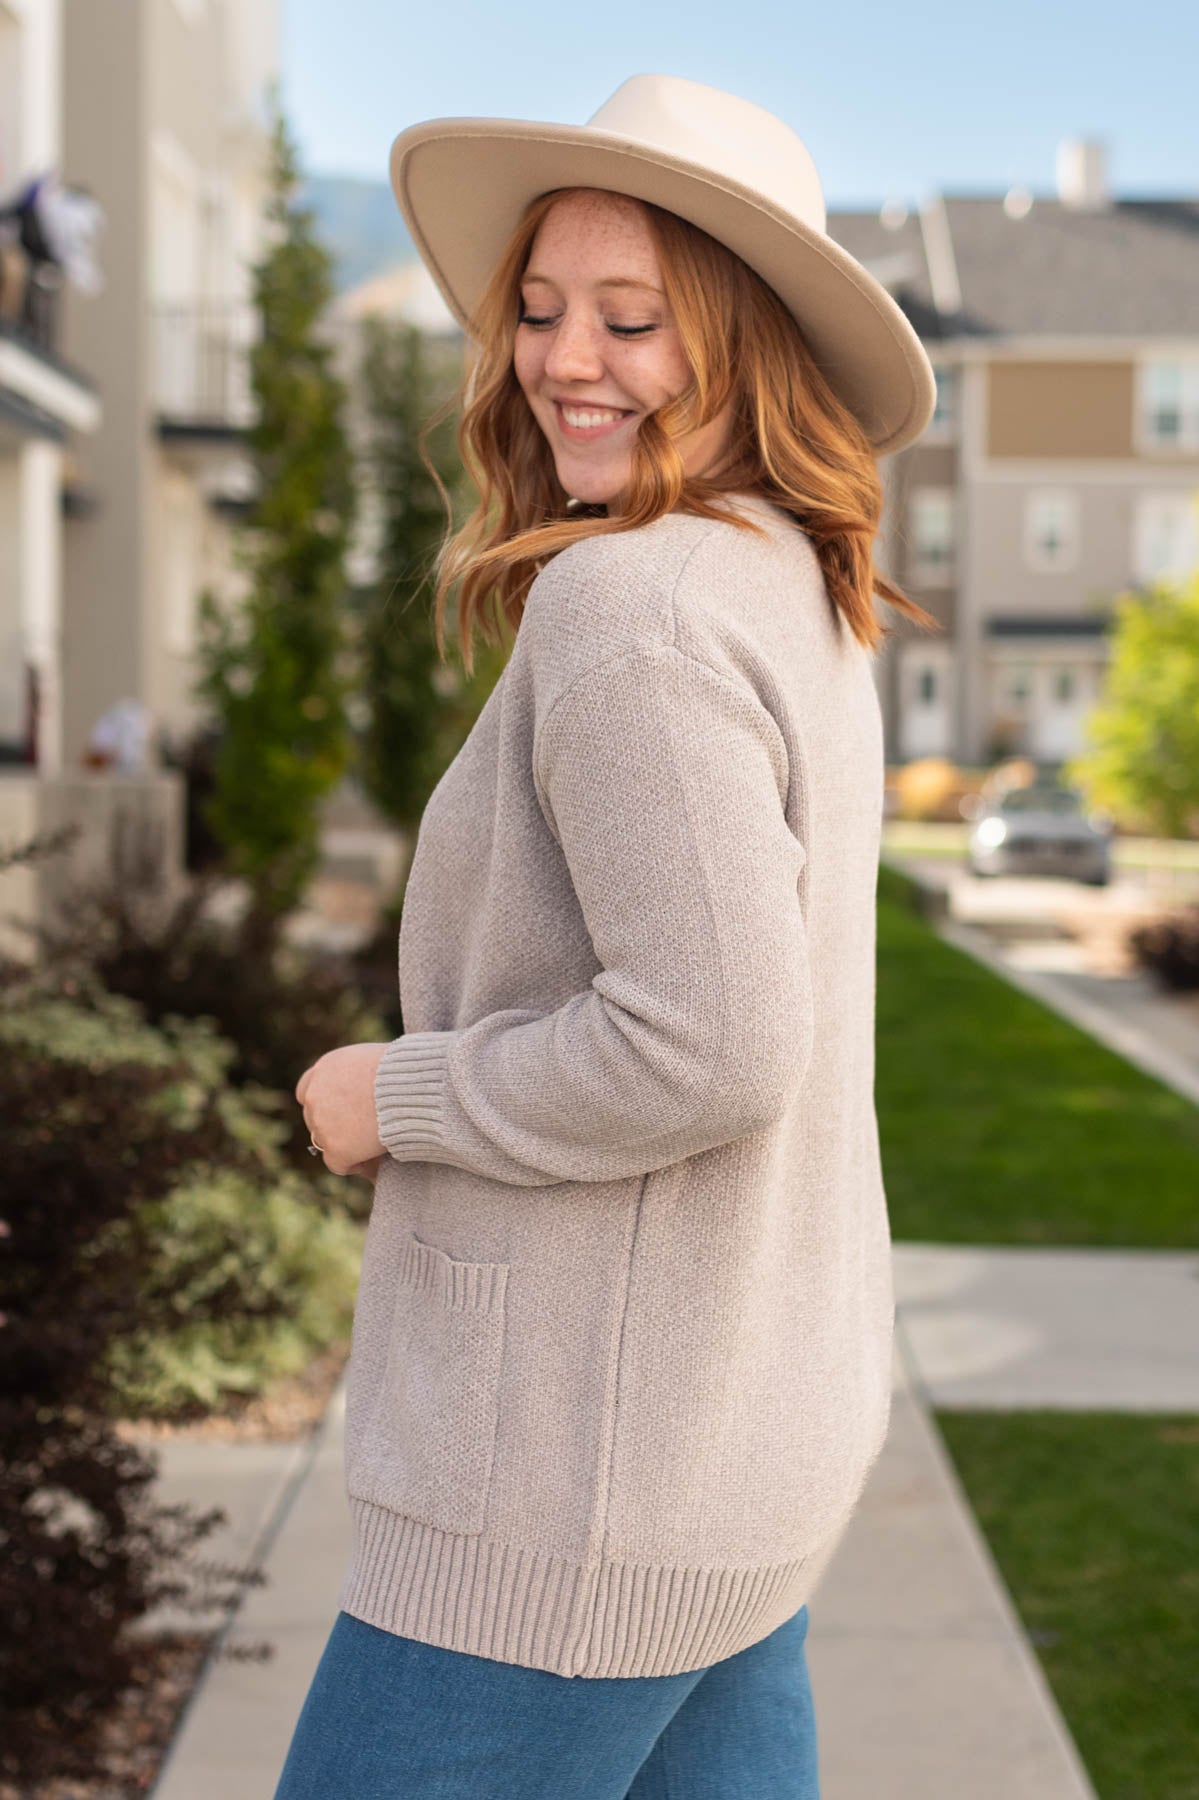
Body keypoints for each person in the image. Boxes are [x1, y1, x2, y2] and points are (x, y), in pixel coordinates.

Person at [282, 72, 938, 1800]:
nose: (565, 360)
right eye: (542, 312)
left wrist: (395, 1093)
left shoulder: (629, 605)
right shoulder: (793, 583)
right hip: (725, 1464)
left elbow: (712, 1042)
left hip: (557, 1500)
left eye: (633, 319)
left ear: (746, 348)